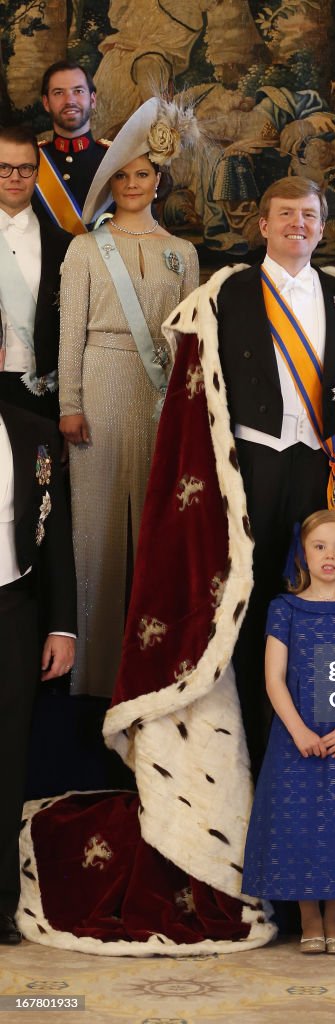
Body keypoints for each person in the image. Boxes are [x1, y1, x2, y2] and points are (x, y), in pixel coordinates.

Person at [155, 175, 335, 779]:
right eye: (285, 214)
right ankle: (250, 753)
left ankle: (319, 743)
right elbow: (195, 397)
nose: (298, 225)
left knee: (319, 601)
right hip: (251, 469)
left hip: (320, 471)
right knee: (251, 603)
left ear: (322, 224)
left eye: (309, 215)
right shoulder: (227, 293)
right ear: (262, 224)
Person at [59, 98, 200, 697]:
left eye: (143, 174)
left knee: (156, 525)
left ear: (158, 179)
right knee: (94, 528)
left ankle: (151, 667)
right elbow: (69, 331)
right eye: (122, 175)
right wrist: (70, 401)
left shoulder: (185, 252)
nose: (133, 184)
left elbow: (192, 338)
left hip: (162, 389)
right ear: (110, 182)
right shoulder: (86, 249)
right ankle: (91, 673)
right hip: (100, 380)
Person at [243, 510, 335, 953]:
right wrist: (297, 731)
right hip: (298, 738)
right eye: (319, 547)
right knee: (302, 824)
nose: (329, 556)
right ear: (303, 554)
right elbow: (274, 678)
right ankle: (309, 920)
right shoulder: (284, 607)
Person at [0, 400, 75, 945]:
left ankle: (1, 902)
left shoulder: (36, 431)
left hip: (14, 610)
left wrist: (63, 626)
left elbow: (59, 534)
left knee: (6, 758)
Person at [0, 125, 71, 421]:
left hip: (41, 393)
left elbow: (74, 332)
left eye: (25, 168)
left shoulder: (64, 245)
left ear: (38, 173)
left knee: (40, 469)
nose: (14, 177)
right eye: (3, 167)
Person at [36, 61, 110, 235]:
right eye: (58, 92)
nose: (69, 100)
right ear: (46, 103)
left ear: (92, 99)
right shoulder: (31, 161)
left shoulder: (116, 159)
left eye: (78, 91)